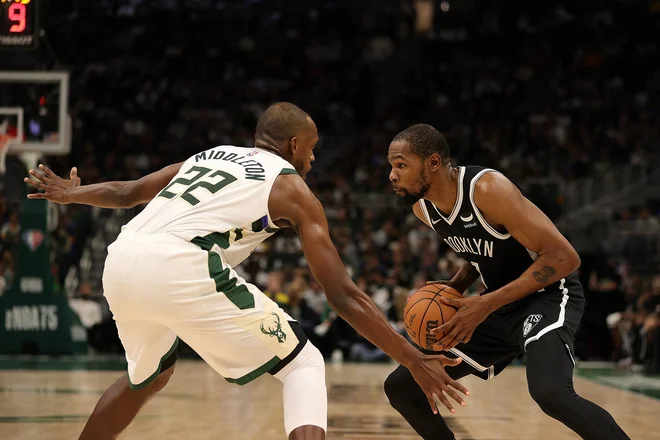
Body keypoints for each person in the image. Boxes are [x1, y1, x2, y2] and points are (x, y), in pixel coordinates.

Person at [25, 104, 468, 440]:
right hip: (178, 264)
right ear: (295, 146)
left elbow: (126, 194)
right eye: (311, 149)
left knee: (148, 377)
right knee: (304, 364)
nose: (313, 161)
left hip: (121, 258)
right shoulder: (293, 188)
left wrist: (74, 194)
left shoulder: (208, 155)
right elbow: (343, 296)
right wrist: (412, 358)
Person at [384, 124, 631, 440]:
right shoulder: (424, 208)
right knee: (403, 387)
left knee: (550, 392)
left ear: (433, 162)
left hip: (548, 294)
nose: (392, 175)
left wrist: (484, 304)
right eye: (391, 166)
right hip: (497, 304)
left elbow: (565, 258)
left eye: (401, 165)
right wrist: (455, 289)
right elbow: (479, 252)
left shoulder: (488, 190)